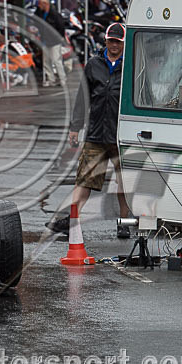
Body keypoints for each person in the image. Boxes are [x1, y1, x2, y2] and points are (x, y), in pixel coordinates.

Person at [46, 23, 131, 239]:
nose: (114, 45)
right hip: (96, 133)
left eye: (118, 42)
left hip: (120, 135)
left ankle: (125, 223)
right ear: (105, 41)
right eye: (111, 41)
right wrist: (75, 128)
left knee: (125, 181)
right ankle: (72, 220)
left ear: (124, 43)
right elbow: (82, 98)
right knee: (84, 180)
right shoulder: (94, 64)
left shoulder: (131, 65)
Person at [37, 0, 66, 87]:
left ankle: (62, 79)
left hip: (54, 41)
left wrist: (60, 38)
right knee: (46, 62)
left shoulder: (55, 14)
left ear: (45, 4)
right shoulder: (41, 13)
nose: (38, 6)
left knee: (56, 60)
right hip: (45, 40)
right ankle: (51, 79)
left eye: (40, 4)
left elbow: (61, 27)